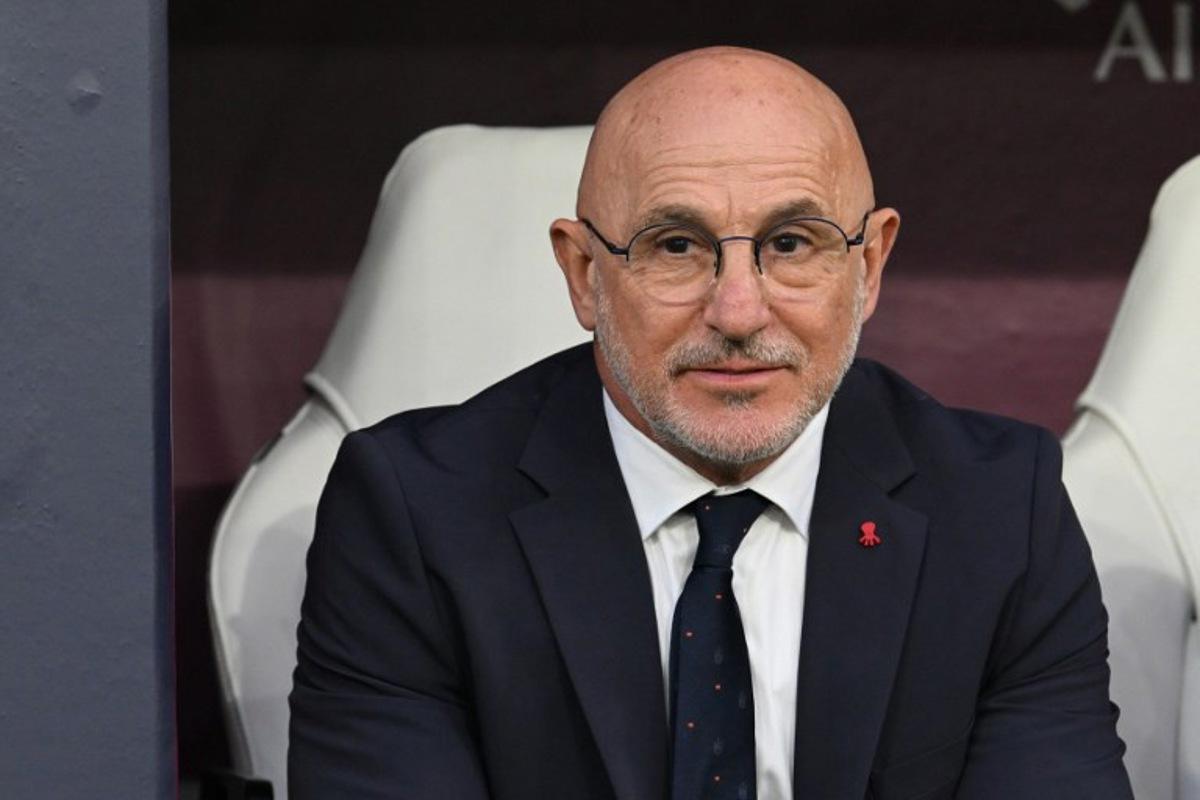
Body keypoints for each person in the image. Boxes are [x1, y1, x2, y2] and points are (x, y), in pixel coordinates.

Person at [288, 47, 1133, 799]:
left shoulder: (995, 510)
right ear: (584, 274)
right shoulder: (413, 516)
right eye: (677, 246)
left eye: (794, 243)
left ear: (868, 266)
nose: (737, 310)